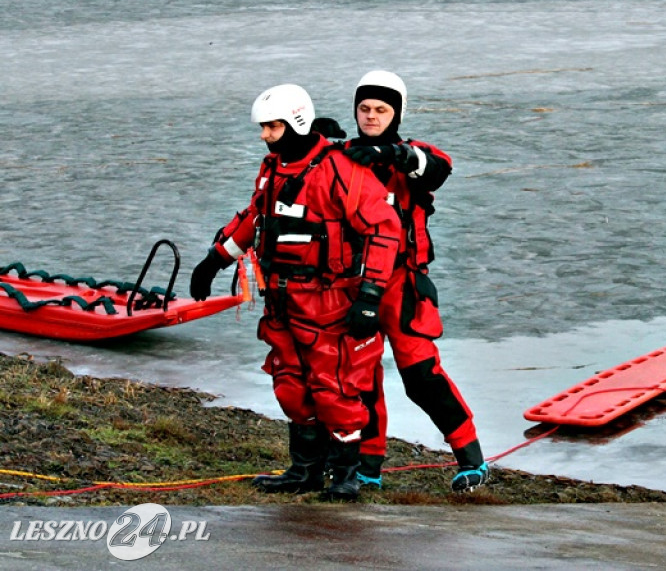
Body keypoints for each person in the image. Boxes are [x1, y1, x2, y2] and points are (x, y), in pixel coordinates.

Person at [189, 83, 402, 501]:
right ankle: (304, 470)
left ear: (296, 122)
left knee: (334, 388)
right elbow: (255, 219)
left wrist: (371, 295)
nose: (265, 135)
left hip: (329, 300)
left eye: (272, 127)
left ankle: (347, 474)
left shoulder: (340, 169)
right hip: (281, 299)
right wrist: (214, 261)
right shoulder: (273, 168)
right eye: (264, 128)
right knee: (290, 384)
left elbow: (384, 229)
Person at [342, 70, 488, 492]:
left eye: (381, 110)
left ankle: (471, 458)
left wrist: (396, 156)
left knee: (421, 377)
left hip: (402, 285)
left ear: (397, 113)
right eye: (364, 109)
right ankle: (368, 466)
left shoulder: (415, 154)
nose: (371, 116)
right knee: (359, 377)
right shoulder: (342, 156)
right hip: (353, 286)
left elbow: (438, 169)